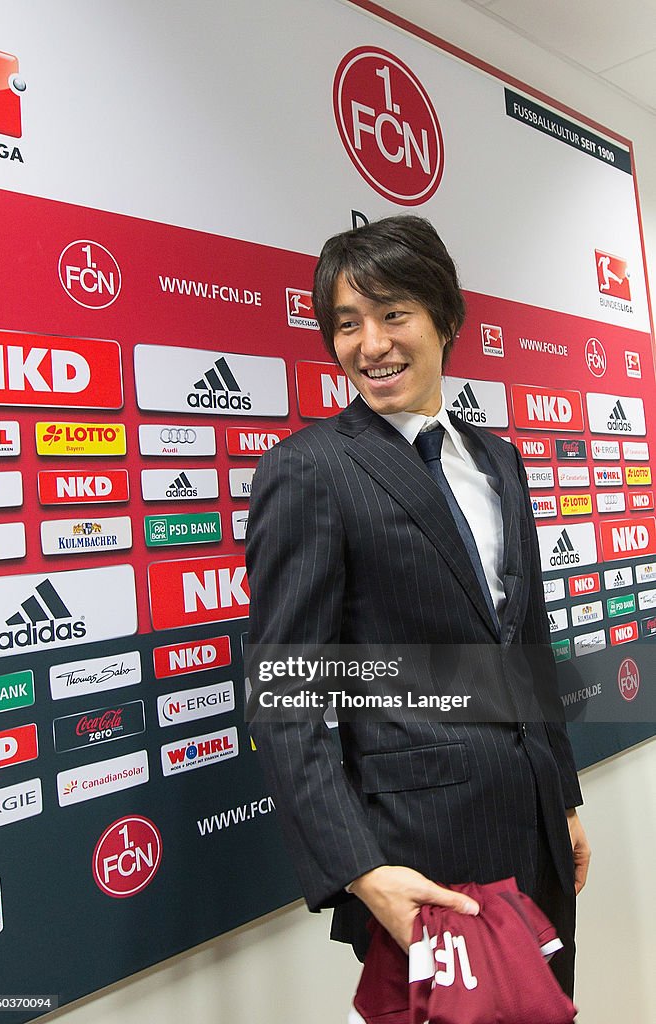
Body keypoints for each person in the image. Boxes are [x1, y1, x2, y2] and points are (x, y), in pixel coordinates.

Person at [245, 215, 589, 1002]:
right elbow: (285, 698)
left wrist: (560, 795)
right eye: (346, 324)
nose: (370, 345)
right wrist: (362, 871)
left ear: (445, 317)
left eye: (393, 313)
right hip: (419, 853)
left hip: (533, 825)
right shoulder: (310, 471)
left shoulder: (497, 458)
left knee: (548, 1011)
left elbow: (522, 643)